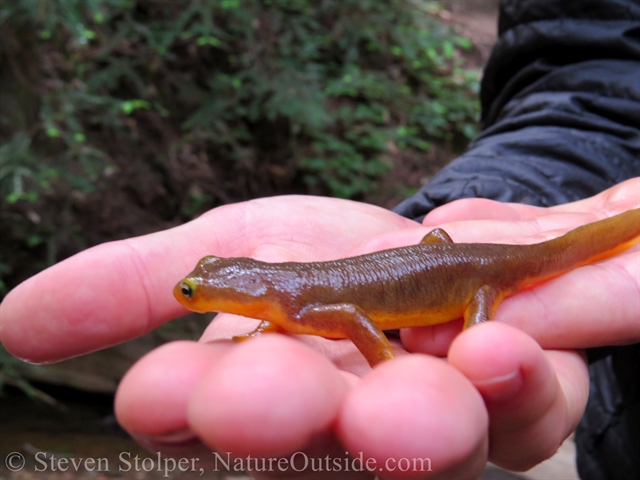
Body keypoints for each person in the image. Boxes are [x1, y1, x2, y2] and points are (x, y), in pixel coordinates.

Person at [1, 0, 639, 479]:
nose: (193, 295)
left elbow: (359, 320)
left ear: (245, 290)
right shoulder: (286, 304)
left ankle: (469, 310)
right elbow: (581, 84)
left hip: (483, 276)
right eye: (198, 288)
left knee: (479, 339)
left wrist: (385, 360)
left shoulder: (302, 304)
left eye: (198, 291)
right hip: (467, 265)